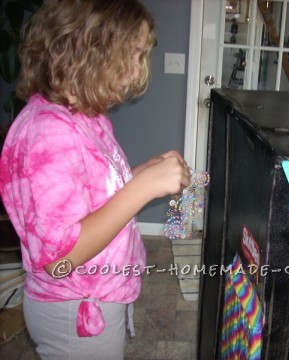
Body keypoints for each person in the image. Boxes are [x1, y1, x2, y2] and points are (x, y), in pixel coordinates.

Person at [0, 0, 191, 358]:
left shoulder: (87, 117)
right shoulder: (47, 134)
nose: (137, 73)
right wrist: (142, 188)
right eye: (132, 55)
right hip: (76, 312)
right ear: (87, 46)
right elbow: (60, 259)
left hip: (95, 298)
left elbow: (93, 197)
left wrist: (141, 174)